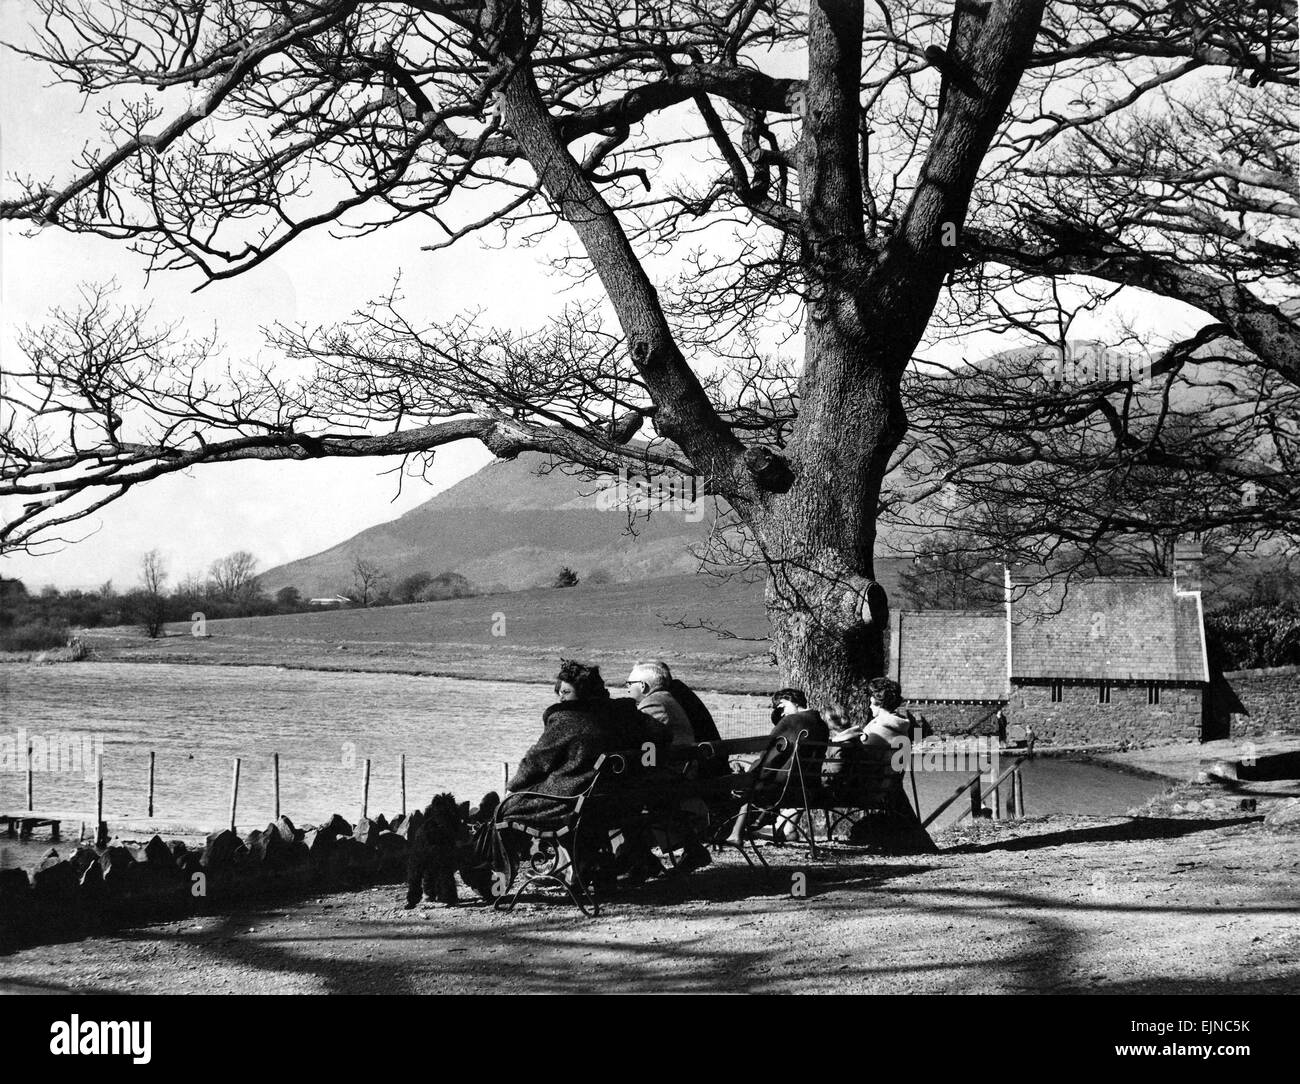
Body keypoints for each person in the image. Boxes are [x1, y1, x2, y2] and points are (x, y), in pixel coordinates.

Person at [460, 660, 667, 897]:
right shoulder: (623, 711)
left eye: (566, 692)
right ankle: (579, 867)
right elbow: (662, 734)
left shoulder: (567, 719)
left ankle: (487, 880)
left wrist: (512, 788)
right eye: (559, 690)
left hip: (573, 800)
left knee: (503, 812)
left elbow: (536, 761)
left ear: (583, 693)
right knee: (517, 806)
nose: (561, 697)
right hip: (617, 800)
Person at [726, 688, 828, 846]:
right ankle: (763, 827)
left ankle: (735, 834)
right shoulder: (821, 725)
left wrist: (751, 773)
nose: (782, 713)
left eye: (782, 707)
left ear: (791, 701)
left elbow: (769, 755)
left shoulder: (792, 721)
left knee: (750, 783)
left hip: (783, 788)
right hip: (808, 787)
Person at [625, 661, 694, 748]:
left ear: (642, 686)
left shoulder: (653, 703)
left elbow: (638, 740)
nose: (627, 690)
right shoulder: (665, 698)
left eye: (629, 684)